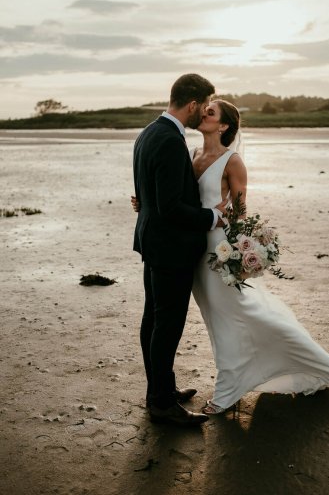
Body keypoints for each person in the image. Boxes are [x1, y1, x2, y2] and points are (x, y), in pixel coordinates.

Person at [133, 98, 329, 417]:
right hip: (191, 249)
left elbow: (241, 213)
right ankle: (224, 381)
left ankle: (230, 390)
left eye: (210, 113)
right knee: (216, 317)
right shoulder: (193, 153)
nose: (203, 115)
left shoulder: (232, 162)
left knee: (231, 314)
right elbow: (175, 197)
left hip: (218, 250)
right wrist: (148, 203)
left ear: (223, 126)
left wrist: (241, 253)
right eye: (204, 110)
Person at [132, 73, 227, 426]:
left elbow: (149, 194)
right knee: (166, 323)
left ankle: (162, 389)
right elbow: (171, 206)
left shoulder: (148, 132)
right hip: (170, 248)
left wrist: (144, 205)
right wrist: (211, 217)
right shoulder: (171, 141)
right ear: (192, 104)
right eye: (202, 106)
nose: (202, 112)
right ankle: (161, 403)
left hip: (152, 240)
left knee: (153, 320)